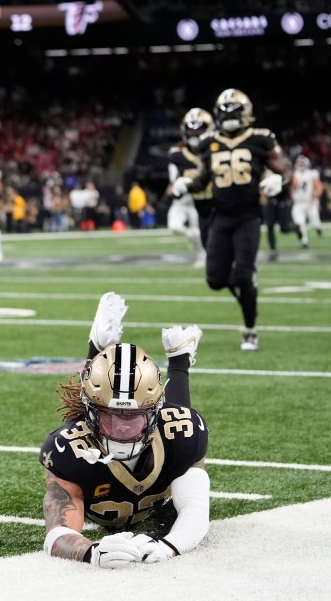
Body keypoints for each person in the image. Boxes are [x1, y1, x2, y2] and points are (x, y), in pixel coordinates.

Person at [41, 292, 210, 567]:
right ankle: (97, 350)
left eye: (133, 418)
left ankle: (179, 361)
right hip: (104, 411)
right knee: (98, 393)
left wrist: (169, 547)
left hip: (151, 420)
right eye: (110, 417)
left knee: (178, 420)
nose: (121, 427)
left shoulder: (183, 432)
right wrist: (89, 552)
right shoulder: (69, 449)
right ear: (92, 415)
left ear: (155, 412)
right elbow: (57, 534)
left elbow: (195, 510)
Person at [173, 88, 291, 351]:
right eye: (224, 112)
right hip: (220, 216)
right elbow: (204, 178)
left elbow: (285, 167)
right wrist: (187, 184)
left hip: (248, 217)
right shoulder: (209, 142)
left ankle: (250, 330)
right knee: (215, 279)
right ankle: (246, 284)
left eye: (233, 111)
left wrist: (279, 179)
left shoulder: (260, 138)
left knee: (243, 276)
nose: (228, 117)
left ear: (246, 113)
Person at [167, 108, 213, 266]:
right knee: (174, 227)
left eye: (199, 128)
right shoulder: (177, 155)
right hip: (185, 200)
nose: (194, 133)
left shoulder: (215, 150)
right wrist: (176, 187)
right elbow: (173, 183)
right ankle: (194, 240)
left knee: (205, 234)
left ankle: (204, 255)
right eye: (191, 128)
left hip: (204, 201)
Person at [290, 156, 324, 248]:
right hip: (299, 203)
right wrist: (292, 197)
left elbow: (319, 186)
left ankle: (318, 228)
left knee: (314, 222)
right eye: (299, 163)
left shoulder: (312, 174)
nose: (300, 165)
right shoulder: (295, 174)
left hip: (310, 202)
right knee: (299, 222)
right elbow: (292, 188)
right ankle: (304, 241)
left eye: (302, 163)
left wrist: (316, 195)